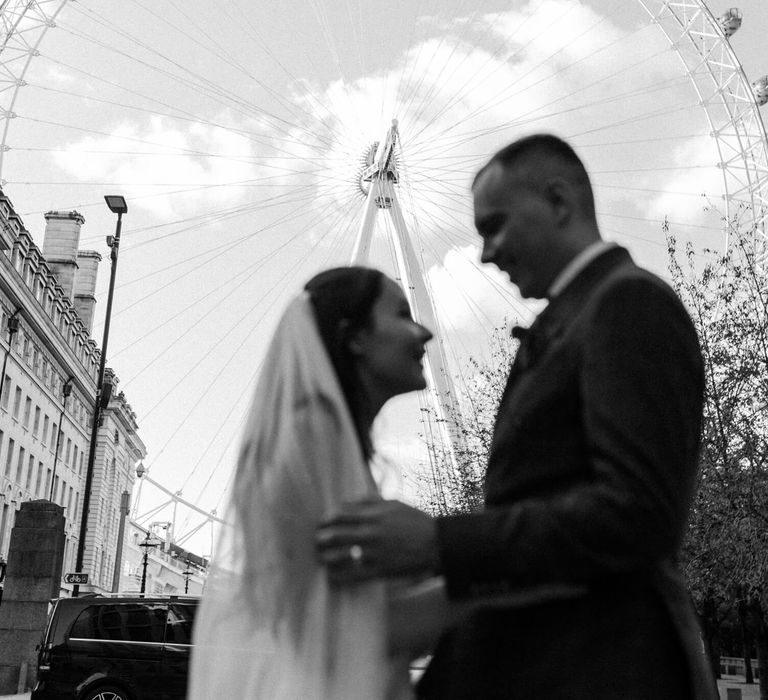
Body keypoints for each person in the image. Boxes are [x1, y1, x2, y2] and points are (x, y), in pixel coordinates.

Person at [316, 134, 718, 699]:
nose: (485, 253)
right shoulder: (578, 315)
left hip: (598, 667)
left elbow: (638, 515)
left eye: (495, 226)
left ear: (559, 201)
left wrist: (439, 541)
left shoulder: (628, 305)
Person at [188, 266, 432, 700]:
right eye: (402, 314)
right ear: (354, 336)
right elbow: (346, 630)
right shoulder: (312, 433)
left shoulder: (324, 438)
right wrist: (501, 573)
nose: (424, 332)